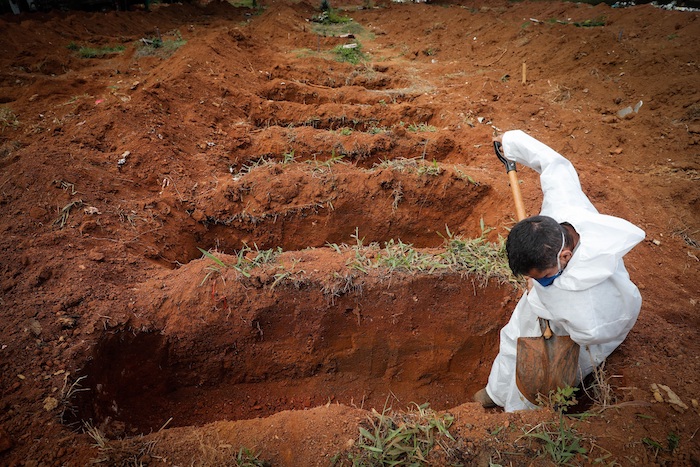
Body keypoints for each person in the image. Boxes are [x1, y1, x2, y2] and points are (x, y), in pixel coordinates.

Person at [473, 130, 645, 412]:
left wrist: (550, 320)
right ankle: (496, 391)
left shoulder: (587, 304)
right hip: (549, 304)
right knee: (513, 336)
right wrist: (512, 142)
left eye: (541, 277)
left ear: (564, 256)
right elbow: (555, 164)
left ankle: (518, 416)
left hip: (583, 330)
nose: (535, 281)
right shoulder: (563, 210)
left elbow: (588, 334)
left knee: (545, 373)